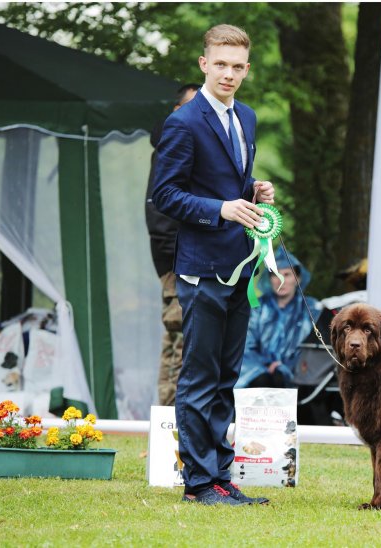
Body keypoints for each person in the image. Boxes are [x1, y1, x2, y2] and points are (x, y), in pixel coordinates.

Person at [152, 23, 273, 506]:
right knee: (199, 378)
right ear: (204, 64)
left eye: (237, 66)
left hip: (239, 267)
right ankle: (199, 484)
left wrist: (253, 192)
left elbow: (230, 181)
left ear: (246, 69)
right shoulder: (183, 122)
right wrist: (219, 208)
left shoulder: (246, 116)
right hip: (200, 269)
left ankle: (221, 477)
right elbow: (164, 194)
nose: (228, 73)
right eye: (220, 64)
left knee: (226, 376)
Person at [146, 83, 200, 407]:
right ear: (176, 112)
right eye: (192, 106)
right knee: (178, 341)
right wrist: (174, 264)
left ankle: (184, 425)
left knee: (189, 345)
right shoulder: (168, 150)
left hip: (198, 261)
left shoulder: (194, 148)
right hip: (177, 265)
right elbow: (159, 213)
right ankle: (167, 424)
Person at [236, 251, 322, 389]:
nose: (280, 280)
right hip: (257, 372)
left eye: (286, 274)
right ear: (269, 278)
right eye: (275, 274)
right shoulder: (257, 308)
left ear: (298, 278)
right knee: (262, 381)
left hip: (298, 374)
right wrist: (267, 365)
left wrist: (285, 367)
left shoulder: (311, 309)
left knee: (281, 379)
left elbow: (311, 350)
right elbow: (246, 345)